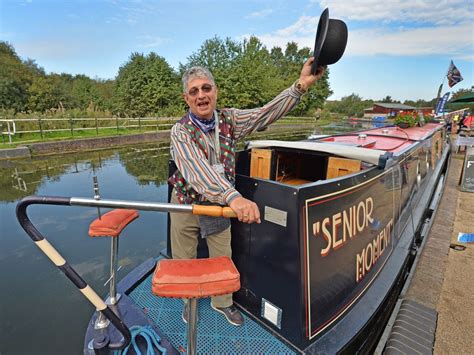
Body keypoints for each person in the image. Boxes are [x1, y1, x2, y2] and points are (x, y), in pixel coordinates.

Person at [169, 58, 325, 326]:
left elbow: (264, 114)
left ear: (215, 91)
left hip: (220, 205)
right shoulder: (180, 131)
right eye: (194, 92)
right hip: (186, 203)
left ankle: (222, 303)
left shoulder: (230, 120)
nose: (201, 96)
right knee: (184, 257)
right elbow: (197, 172)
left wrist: (300, 87)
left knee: (222, 254)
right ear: (187, 99)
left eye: (206, 88)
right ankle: (188, 302)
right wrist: (235, 197)